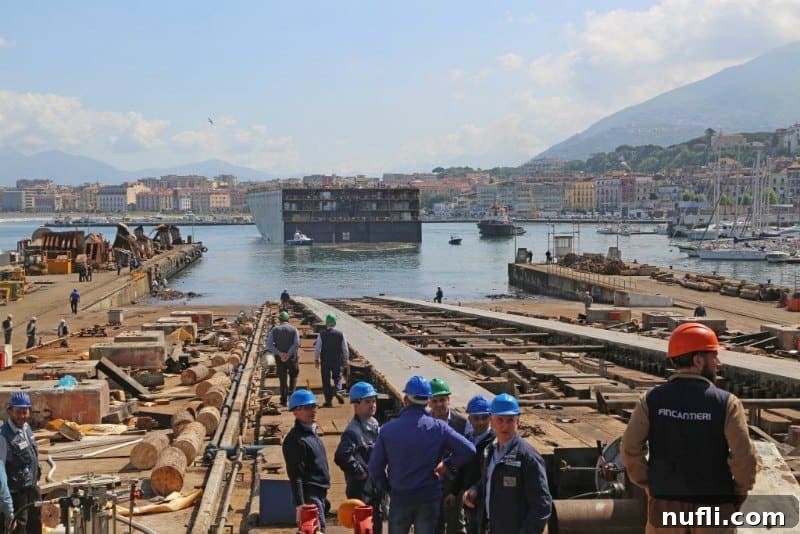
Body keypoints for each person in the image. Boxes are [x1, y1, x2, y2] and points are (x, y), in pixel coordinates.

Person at [621, 322, 759, 533]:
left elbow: (630, 449)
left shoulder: (651, 400)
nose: (718, 363)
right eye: (714, 357)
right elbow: (744, 459)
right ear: (698, 360)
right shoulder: (727, 404)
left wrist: (651, 485)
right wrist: (736, 495)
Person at [368, 376, 475, 534]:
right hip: (428, 497)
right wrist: (447, 464)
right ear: (428, 401)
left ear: (405, 400)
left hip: (400, 496)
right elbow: (468, 450)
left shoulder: (388, 430)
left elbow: (374, 468)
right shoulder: (438, 428)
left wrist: (388, 487)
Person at [463, 394, 552, 534]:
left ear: (518, 422)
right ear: (492, 421)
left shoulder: (527, 457)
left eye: (510, 420)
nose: (505, 426)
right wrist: (475, 490)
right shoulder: (490, 451)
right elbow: (489, 479)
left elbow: (542, 505)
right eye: (500, 420)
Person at [334, 381, 385, 534]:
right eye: (367, 402)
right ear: (356, 405)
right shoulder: (353, 431)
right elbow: (341, 456)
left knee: (376, 525)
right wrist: (360, 472)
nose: (372, 405)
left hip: (374, 488)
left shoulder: (374, 424)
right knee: (364, 527)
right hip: (361, 489)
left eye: (374, 401)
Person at [282, 389, 330, 532]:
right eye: (307, 408)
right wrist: (300, 505)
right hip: (310, 495)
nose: (312, 411)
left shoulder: (311, 434)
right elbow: (295, 475)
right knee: (317, 530)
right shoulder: (295, 440)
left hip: (319, 492)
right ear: (295, 412)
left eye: (314, 406)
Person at [428, 378, 467, 534]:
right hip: (430, 485)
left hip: (453, 485)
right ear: (429, 402)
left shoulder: (461, 423)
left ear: (449, 400)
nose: (439, 404)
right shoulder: (424, 422)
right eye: (435, 400)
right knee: (433, 526)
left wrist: (457, 489)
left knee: (455, 526)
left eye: (442, 400)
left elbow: (466, 456)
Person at [0, 391, 42, 533]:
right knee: (20, 528)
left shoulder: (27, 429)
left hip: (33, 489)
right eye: (18, 412)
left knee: (35, 525)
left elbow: (32, 457)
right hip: (17, 494)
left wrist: (37, 482)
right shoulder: (3, 436)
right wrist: (8, 508)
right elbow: (1, 473)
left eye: (25, 412)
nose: (22, 416)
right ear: (10, 411)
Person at [455, 396, 495, 534]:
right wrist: (453, 491)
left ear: (490, 418)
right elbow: (461, 469)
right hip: (470, 500)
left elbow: (492, 473)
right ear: (469, 419)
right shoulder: (467, 441)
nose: (481, 422)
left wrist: (476, 489)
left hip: (488, 501)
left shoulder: (495, 442)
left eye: (484, 417)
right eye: (476, 418)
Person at [313, 314, 348, 407]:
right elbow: (345, 348)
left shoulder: (322, 334)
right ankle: (338, 391)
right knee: (338, 377)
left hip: (325, 361)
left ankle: (328, 401)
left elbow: (317, 348)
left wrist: (316, 359)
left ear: (326, 323)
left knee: (326, 380)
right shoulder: (341, 334)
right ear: (335, 323)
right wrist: (346, 359)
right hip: (337, 360)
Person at [266, 311, 300, 406]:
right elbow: (296, 343)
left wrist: (280, 353)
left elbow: (269, 344)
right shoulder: (294, 329)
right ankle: (292, 398)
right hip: (292, 357)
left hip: (279, 359)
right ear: (288, 319)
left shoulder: (275, 330)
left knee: (282, 379)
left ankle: (283, 400)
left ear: (279, 320)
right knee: (293, 376)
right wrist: (288, 354)